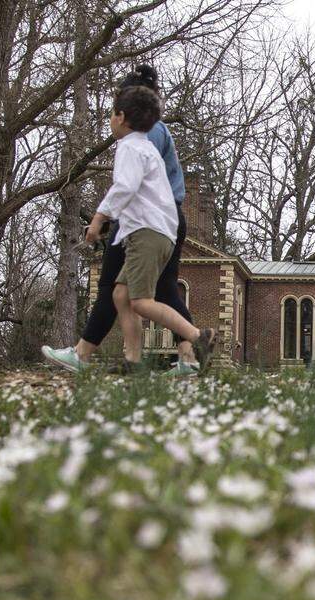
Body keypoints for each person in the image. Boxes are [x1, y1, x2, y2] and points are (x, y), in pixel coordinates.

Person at [43, 65, 201, 375]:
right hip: (159, 220)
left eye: (116, 108)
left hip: (148, 222)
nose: (112, 116)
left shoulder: (141, 136)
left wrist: (103, 217)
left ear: (126, 113)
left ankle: (192, 344)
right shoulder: (149, 132)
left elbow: (131, 185)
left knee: (128, 294)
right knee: (130, 291)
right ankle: (165, 359)